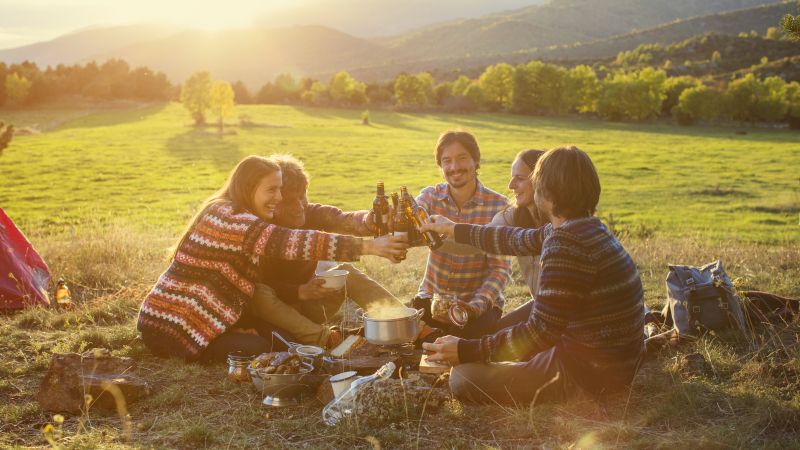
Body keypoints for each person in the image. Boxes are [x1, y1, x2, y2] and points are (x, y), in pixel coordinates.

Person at [421, 146, 645, 405]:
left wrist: (466, 351)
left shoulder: (566, 244)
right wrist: (452, 228)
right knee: (500, 342)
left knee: (463, 378)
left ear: (547, 191)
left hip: (589, 374)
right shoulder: (584, 228)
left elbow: (540, 332)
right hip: (612, 361)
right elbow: (513, 238)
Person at [136, 156, 407, 362]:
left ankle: (401, 322)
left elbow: (337, 219)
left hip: (224, 318)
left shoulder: (251, 217)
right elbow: (296, 243)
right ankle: (324, 338)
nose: (279, 199)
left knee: (281, 342)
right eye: (272, 191)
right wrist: (370, 247)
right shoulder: (228, 217)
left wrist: (372, 224)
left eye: (281, 191)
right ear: (248, 188)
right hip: (172, 328)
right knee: (273, 345)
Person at [252, 154, 409, 348]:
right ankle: (327, 339)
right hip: (278, 313)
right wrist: (299, 292)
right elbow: (260, 284)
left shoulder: (311, 213)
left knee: (345, 271)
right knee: (258, 292)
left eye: (302, 196)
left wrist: (370, 220)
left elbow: (343, 219)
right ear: (274, 200)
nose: (299, 207)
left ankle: (404, 322)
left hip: (311, 306)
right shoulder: (261, 228)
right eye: (290, 201)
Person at [411, 130, 512, 339]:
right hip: (431, 300)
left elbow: (500, 268)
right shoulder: (431, 197)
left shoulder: (499, 206)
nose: (454, 167)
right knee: (413, 345)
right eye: (446, 161)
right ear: (440, 166)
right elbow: (414, 210)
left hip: (476, 304)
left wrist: (475, 306)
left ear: (476, 161)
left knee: (469, 350)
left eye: (462, 158)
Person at [488, 149, 547, 332]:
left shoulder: (562, 221)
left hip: (569, 313)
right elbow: (481, 237)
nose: (511, 185)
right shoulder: (514, 215)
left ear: (540, 181)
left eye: (519, 178)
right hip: (540, 304)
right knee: (495, 333)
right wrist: (440, 233)